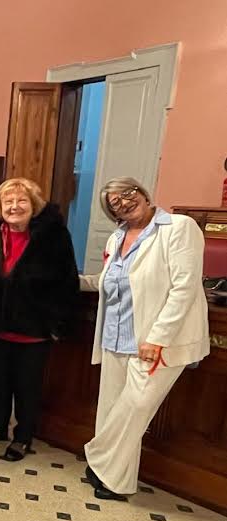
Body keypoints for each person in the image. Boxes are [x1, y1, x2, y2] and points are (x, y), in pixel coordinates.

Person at [80, 177, 209, 500]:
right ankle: (115, 480)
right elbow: (109, 280)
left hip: (155, 343)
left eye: (128, 193)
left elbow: (184, 287)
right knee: (112, 409)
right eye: (115, 203)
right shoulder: (116, 237)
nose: (124, 202)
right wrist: (69, 280)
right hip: (115, 336)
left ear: (143, 192)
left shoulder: (179, 228)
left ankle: (96, 455)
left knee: (135, 408)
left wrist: (158, 338)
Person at [0, 178, 79, 461]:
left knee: (27, 386)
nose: (15, 206)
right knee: (0, 382)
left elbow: (68, 281)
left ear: (34, 205)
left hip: (35, 328)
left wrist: (57, 324)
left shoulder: (54, 236)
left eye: (22, 201)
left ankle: (23, 436)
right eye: (8, 201)